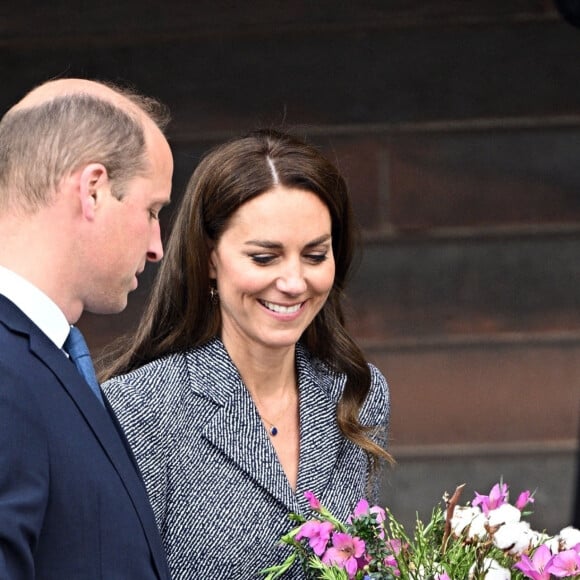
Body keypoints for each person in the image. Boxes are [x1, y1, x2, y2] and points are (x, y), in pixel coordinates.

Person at [100, 129, 392, 579]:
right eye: (264, 258)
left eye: (315, 255)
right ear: (210, 258)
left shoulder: (358, 393)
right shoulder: (138, 407)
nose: (295, 282)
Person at [0, 78, 174, 579]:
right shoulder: (7, 372)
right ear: (93, 190)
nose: (156, 246)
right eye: (152, 211)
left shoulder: (45, 360)